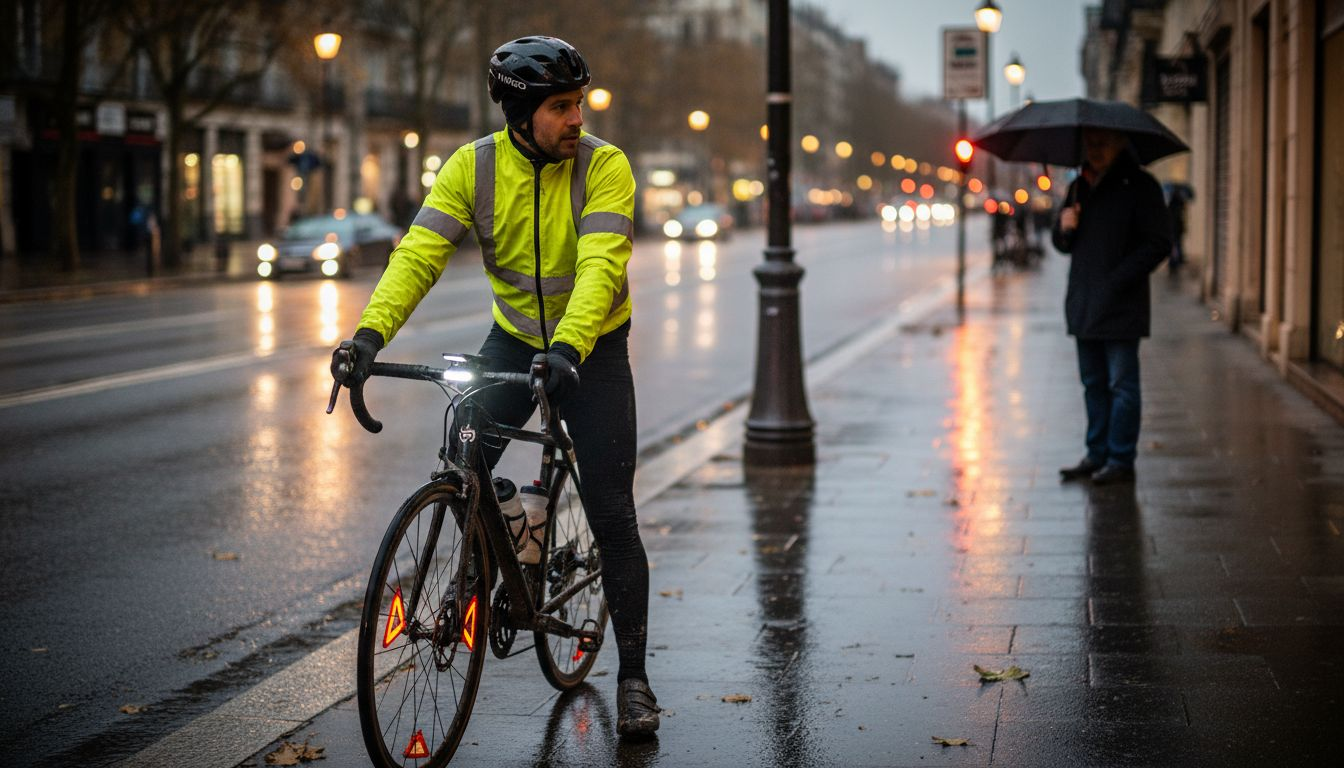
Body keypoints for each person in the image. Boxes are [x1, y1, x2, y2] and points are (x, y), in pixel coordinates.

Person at [331, 36, 659, 738]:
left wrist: (570, 347)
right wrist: (367, 338)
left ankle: (633, 676)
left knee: (612, 511)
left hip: (592, 347)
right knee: (465, 442)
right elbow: (419, 253)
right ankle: (500, 528)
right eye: (561, 107)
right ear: (519, 111)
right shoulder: (472, 168)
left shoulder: (606, 167)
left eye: (580, 103)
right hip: (514, 337)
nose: (578, 118)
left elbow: (601, 265)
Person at [1053, 128, 1172, 486]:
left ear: (1120, 144)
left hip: (1121, 305)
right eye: (1091, 143)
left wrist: (1118, 279)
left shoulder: (1140, 185)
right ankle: (1097, 453)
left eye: (1102, 142)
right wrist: (1064, 228)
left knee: (1121, 384)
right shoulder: (1079, 187)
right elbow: (1061, 244)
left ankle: (1120, 458)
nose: (1095, 149)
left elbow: (1159, 243)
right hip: (1084, 303)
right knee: (1093, 383)